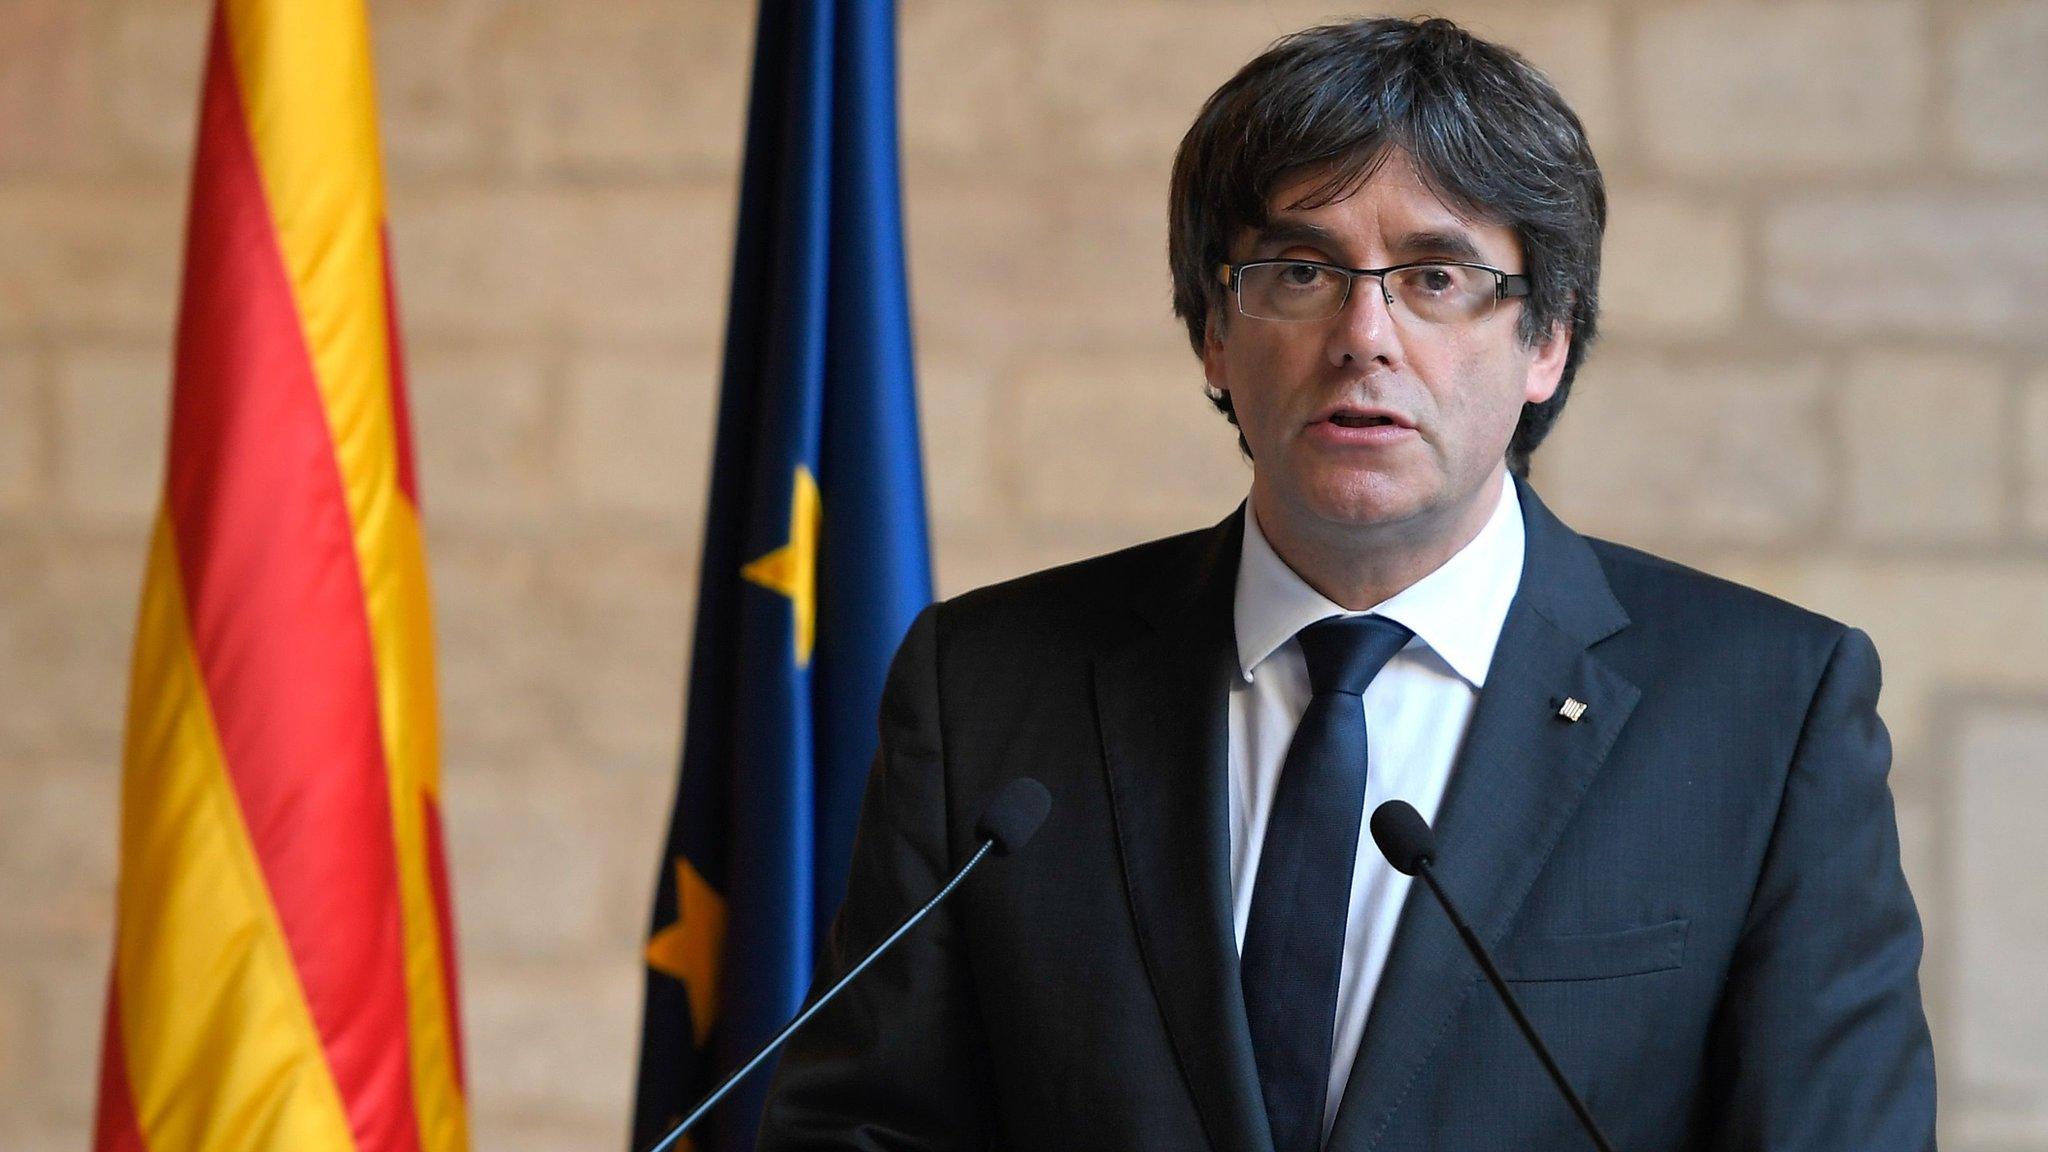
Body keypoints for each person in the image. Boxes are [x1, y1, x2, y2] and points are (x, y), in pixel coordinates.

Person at [758, 16, 1936, 1150]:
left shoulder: (1766, 711)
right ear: (1212, 335)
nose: (1362, 335)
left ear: (1547, 340)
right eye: (1297, 270)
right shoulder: (988, 687)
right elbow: (864, 1129)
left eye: (1434, 277)